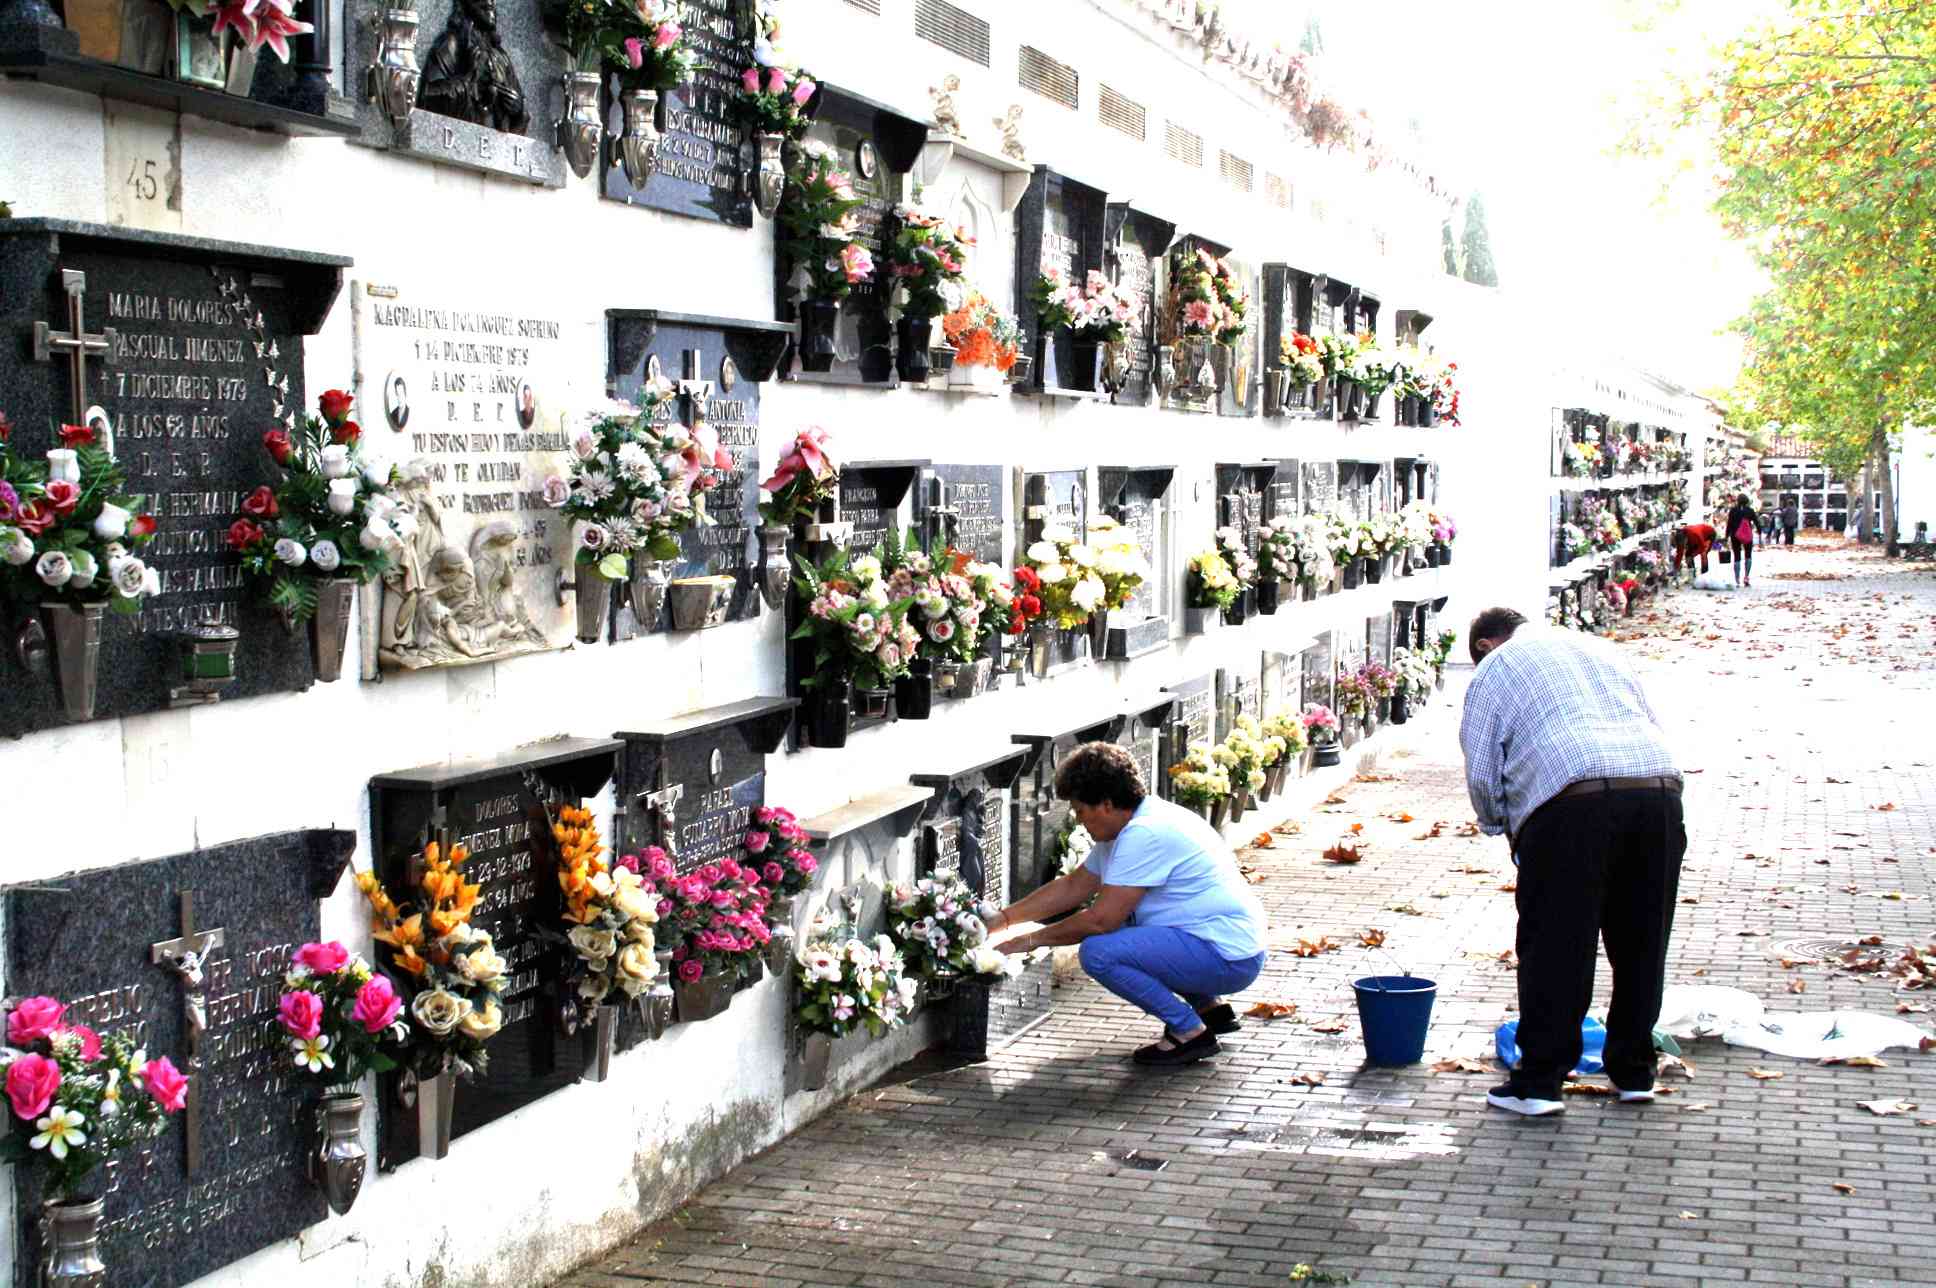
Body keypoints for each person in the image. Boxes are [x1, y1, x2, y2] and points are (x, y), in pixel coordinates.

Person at [1459, 607, 1684, 1117]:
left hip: (1571, 801)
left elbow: (1481, 763)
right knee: (1642, 943)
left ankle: (1539, 1083)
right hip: (1658, 790)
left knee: (1558, 945)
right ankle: (1634, 1072)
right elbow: (1651, 721)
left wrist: (1502, 824)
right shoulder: (1601, 648)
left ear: (1488, 643)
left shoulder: (1498, 665)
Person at [987, 742, 1268, 1068]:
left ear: (1106, 804)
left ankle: (1189, 1031)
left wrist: (1029, 941)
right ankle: (1209, 1009)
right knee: (1132, 928)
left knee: (1099, 951)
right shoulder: (1135, 821)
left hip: (1227, 957)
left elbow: (1100, 921)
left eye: (1080, 810)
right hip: (1230, 945)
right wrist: (1004, 919)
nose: (1079, 821)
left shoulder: (1143, 834)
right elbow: (1074, 886)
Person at [1722, 493, 1759, 588]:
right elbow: (1756, 522)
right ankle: (1746, 577)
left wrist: (1726, 536)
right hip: (1747, 535)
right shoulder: (1750, 511)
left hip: (1735, 535)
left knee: (1737, 556)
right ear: (1747, 501)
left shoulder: (1733, 511)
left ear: (1738, 501)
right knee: (1748, 555)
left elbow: (1729, 524)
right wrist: (1759, 532)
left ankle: (1737, 579)